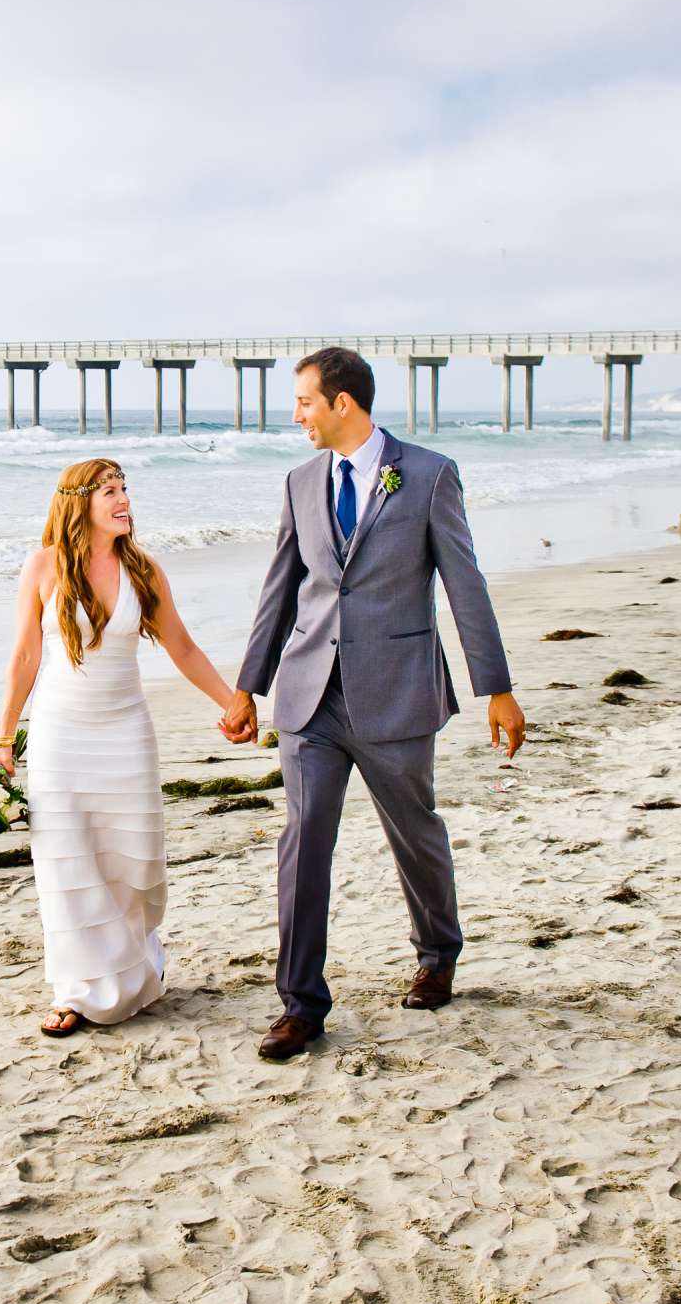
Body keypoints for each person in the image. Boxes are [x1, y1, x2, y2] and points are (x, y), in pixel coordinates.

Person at [220, 348, 525, 1062]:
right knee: (303, 841)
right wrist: (248, 686)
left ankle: (437, 954)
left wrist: (497, 689)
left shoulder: (426, 475)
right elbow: (280, 589)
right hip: (309, 696)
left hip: (396, 693)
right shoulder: (299, 483)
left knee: (413, 830)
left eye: (304, 402)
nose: (296, 415)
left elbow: (465, 585)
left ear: (342, 404)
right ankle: (300, 1006)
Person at [0, 459, 242, 1038]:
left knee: (134, 863)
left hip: (126, 731)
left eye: (125, 490)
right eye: (110, 491)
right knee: (67, 861)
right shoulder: (43, 567)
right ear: (80, 502)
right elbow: (24, 657)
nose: (123, 500)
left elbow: (184, 647)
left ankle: (131, 974)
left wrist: (231, 703)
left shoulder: (143, 569)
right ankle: (75, 991)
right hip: (60, 734)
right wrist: (3, 740)